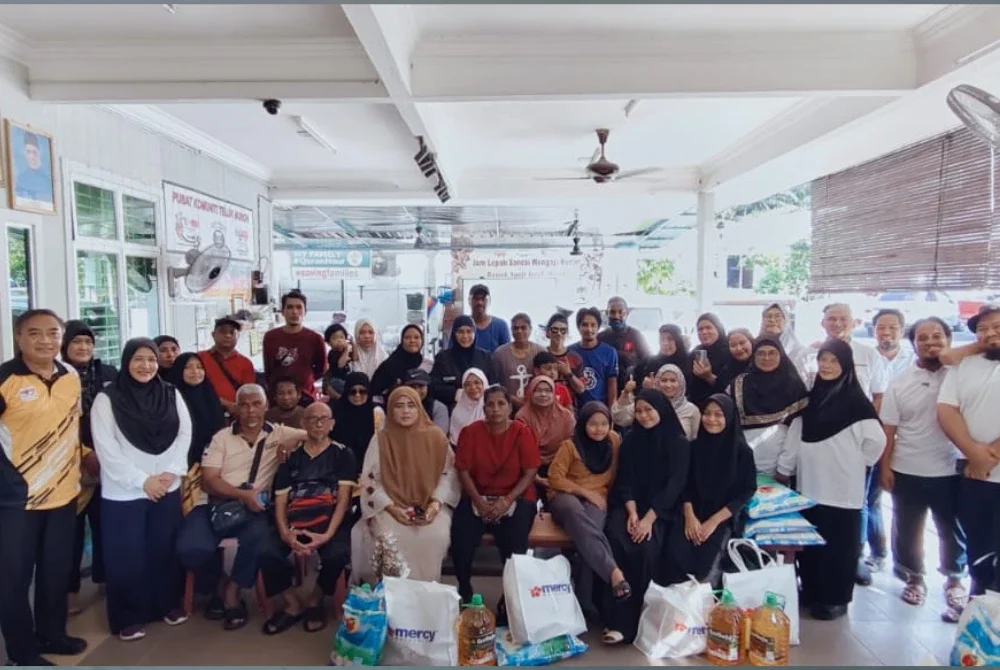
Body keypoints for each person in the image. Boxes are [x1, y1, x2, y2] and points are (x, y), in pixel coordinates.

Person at [176, 384, 306, 631]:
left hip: (252, 508)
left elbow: (316, 434)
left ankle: (232, 591)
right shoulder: (221, 438)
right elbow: (209, 481)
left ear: (266, 406)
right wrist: (242, 495)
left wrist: (292, 445)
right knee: (190, 549)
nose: (250, 410)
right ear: (236, 408)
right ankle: (218, 582)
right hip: (213, 503)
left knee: (258, 538)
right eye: (244, 405)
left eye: (256, 404)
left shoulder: (278, 433)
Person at [0, 310, 88, 666]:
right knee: (13, 581)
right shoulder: (5, 379)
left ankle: (52, 634)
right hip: (16, 500)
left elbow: (72, 426)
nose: (45, 340)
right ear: (19, 337)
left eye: (53, 333)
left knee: (55, 573)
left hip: (64, 494)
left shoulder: (70, 376)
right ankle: (22, 652)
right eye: (34, 333)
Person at [776, 340, 886, 621]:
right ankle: (812, 591)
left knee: (839, 546)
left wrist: (855, 462)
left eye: (833, 361)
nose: (826, 366)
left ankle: (836, 598)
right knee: (811, 544)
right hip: (810, 485)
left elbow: (876, 442)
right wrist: (786, 468)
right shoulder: (813, 399)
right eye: (823, 360)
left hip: (842, 489)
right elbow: (796, 435)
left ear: (845, 365)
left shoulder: (857, 403)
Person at [90, 338, 192, 640]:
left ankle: (166, 605)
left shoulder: (170, 393)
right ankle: (128, 617)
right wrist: (142, 481)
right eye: (138, 359)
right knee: (127, 555)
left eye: (151, 359)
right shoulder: (107, 399)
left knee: (164, 549)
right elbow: (106, 449)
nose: (146, 366)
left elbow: (184, 433)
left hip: (166, 486)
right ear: (126, 361)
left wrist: (171, 472)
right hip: (124, 492)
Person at [880, 317, 967, 621]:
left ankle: (954, 579)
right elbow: (888, 430)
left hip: (952, 467)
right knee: (908, 527)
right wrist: (885, 467)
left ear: (949, 339)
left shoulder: (960, 375)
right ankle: (914, 577)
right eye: (923, 338)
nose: (931, 342)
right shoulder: (900, 383)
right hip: (908, 467)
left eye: (937, 336)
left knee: (951, 528)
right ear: (913, 344)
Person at [602, 389, 691, 645]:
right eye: (639, 411)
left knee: (646, 548)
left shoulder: (679, 443)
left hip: (662, 510)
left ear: (661, 410)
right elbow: (625, 479)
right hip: (631, 505)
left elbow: (674, 487)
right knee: (615, 537)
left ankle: (635, 623)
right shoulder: (632, 439)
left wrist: (649, 519)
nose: (643, 416)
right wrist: (632, 513)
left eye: (648, 410)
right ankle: (613, 617)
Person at [258, 402, 355, 636]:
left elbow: (343, 500)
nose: (319, 423)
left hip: (328, 520)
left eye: (324, 419)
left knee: (337, 554)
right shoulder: (291, 457)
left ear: (332, 424)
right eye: (313, 419)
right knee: (265, 550)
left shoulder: (343, 454)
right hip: (294, 520)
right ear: (303, 423)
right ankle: (292, 603)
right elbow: (281, 500)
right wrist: (285, 534)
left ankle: (316, 598)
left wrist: (327, 535)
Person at [351, 387, 460, 584]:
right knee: (389, 538)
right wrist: (392, 508)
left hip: (430, 505)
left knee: (435, 536)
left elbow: (449, 475)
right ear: (390, 410)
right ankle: (395, 595)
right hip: (389, 505)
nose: (405, 411)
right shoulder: (381, 439)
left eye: (411, 405)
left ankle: (425, 593)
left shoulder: (436, 437)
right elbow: (370, 481)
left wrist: (435, 505)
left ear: (419, 408)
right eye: (399, 406)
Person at [450, 386, 540, 605]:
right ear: (484, 409)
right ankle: (465, 589)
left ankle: (509, 598)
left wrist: (507, 501)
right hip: (478, 495)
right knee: (461, 538)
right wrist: (478, 501)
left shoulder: (521, 432)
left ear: (510, 408)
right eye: (490, 404)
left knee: (514, 541)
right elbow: (463, 471)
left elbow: (530, 471)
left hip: (516, 496)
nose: (495, 409)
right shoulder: (471, 432)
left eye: (501, 404)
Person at [547, 402, 631, 619]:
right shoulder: (570, 446)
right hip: (565, 496)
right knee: (574, 510)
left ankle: (582, 603)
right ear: (583, 423)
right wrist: (585, 492)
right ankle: (613, 571)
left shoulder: (614, 440)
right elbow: (554, 478)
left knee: (589, 532)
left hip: (598, 499)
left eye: (604, 424)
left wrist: (603, 497)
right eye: (593, 424)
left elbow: (615, 473)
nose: (599, 429)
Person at [937, 305, 1000, 598]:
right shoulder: (966, 364)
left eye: (997, 326)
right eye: (982, 329)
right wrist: (973, 453)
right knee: (978, 545)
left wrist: (990, 455)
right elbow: (946, 410)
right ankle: (978, 609)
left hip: (983, 465)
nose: (990, 333)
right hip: (975, 474)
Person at [61, 320, 116, 613]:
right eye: (76, 342)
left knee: (105, 524)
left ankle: (106, 579)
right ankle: (69, 591)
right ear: (65, 346)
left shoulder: (107, 373)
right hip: (68, 465)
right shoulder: (56, 376)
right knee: (70, 531)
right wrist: (83, 453)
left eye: (88, 342)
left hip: (108, 462)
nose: (83, 347)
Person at [673, 395, 756, 586]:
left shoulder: (742, 452)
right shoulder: (694, 447)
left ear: (729, 417)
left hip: (723, 517)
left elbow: (746, 490)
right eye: (707, 413)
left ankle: (706, 603)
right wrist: (690, 516)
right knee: (676, 556)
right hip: (691, 514)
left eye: (719, 415)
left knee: (707, 568)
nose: (711, 419)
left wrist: (713, 521)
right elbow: (685, 484)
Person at [861, 308, 916, 579]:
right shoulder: (867, 357)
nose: (886, 333)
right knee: (870, 498)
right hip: (873, 439)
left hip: (907, 441)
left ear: (902, 330)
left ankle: (908, 563)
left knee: (906, 506)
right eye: (881, 327)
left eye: (892, 327)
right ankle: (876, 552)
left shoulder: (914, 360)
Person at [728, 337, 809, 476]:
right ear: (754, 356)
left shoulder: (794, 386)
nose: (766, 358)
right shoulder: (739, 384)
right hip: (742, 462)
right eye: (761, 353)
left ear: (781, 355)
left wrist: (784, 468)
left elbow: (796, 431)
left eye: (772, 353)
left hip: (777, 465)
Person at [168, 353, 227, 516]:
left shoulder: (209, 393)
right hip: (182, 466)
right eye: (188, 367)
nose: (195, 371)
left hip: (211, 463)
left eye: (200, 367)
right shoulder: (171, 397)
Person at [263, 291, 327, 402]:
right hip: (278, 398)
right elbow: (268, 370)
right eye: (289, 307)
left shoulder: (315, 339)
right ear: (282, 311)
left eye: (299, 307)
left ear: (305, 311)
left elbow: (322, 370)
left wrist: (305, 379)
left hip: (306, 396)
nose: (294, 312)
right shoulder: (270, 337)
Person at [515, 375, 576, 490]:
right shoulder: (522, 417)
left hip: (560, 465)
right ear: (531, 393)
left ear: (554, 394)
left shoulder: (566, 417)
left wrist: (557, 477)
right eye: (538, 390)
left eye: (548, 391)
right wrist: (538, 479)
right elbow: (522, 453)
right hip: (529, 469)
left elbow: (570, 449)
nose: (543, 394)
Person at [612, 364, 701, 439]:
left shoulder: (691, 410)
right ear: (657, 382)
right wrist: (626, 393)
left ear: (681, 383)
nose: (668, 385)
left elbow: (696, 441)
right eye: (664, 380)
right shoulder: (646, 404)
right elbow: (619, 418)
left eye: (673, 380)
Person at [431, 316, 496, 410]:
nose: (465, 336)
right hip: (451, 410)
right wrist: (455, 393)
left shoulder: (486, 357)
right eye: (460, 332)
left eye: (469, 331)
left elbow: (494, 386)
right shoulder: (442, 358)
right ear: (454, 334)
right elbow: (434, 387)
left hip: (482, 410)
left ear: (475, 333)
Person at [329, 372, 384, 479]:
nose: (357, 395)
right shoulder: (336, 412)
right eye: (352, 392)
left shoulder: (377, 413)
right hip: (340, 469)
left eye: (362, 391)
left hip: (372, 469)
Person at [199, 316, 256, 417]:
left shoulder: (246, 363)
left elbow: (248, 393)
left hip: (235, 415)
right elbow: (197, 389)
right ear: (213, 334)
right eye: (223, 332)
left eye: (232, 332)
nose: (228, 335)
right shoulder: (199, 358)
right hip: (205, 413)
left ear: (238, 336)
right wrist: (226, 404)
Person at [493, 313, 544, 410]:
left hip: (536, 407)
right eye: (515, 328)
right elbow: (495, 383)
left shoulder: (540, 351)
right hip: (506, 406)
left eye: (523, 328)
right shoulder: (500, 354)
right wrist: (513, 399)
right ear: (511, 330)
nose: (519, 331)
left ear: (530, 329)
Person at [570, 307, 619, 406]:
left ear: (598, 327)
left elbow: (612, 384)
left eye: (593, 325)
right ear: (578, 327)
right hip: (576, 408)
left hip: (600, 408)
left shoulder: (609, 352)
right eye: (585, 325)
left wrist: (611, 411)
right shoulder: (570, 352)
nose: (589, 329)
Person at [369, 324, 432, 400]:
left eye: (416, 337)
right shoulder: (389, 366)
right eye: (407, 337)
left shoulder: (427, 364)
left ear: (422, 340)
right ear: (402, 341)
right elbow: (376, 391)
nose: (412, 340)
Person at [598, 297, 651, 382]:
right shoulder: (601, 337)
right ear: (607, 313)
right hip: (606, 386)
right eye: (612, 312)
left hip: (631, 385)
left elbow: (648, 361)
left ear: (627, 313)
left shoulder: (636, 335)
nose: (616, 316)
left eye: (621, 312)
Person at [758, 303, 809, 383]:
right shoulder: (755, 347)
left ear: (786, 321)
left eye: (777, 316)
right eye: (768, 316)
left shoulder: (799, 352)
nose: (772, 320)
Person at [689, 313, 731, 406]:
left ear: (718, 329)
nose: (704, 332)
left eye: (708, 328)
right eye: (700, 329)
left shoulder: (729, 351)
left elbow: (730, 388)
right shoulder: (695, 352)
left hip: (721, 406)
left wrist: (709, 377)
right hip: (697, 406)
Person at [544, 313, 587, 399]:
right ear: (548, 332)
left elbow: (581, 389)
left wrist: (569, 374)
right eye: (555, 330)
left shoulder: (575, 358)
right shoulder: (542, 354)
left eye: (563, 330)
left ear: (567, 334)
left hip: (568, 404)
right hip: (544, 402)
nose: (559, 333)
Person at [634, 324, 691, 388]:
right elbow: (636, 382)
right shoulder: (650, 362)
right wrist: (645, 387)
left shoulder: (689, 362)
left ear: (678, 341)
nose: (665, 343)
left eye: (670, 339)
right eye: (662, 339)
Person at [465, 284, 511, 353]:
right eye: (476, 299)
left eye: (483, 299)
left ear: (489, 301)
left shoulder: (501, 326)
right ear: (469, 301)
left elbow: (506, 354)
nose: (479, 302)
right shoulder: (461, 325)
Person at [449, 368, 488, 446]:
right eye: (467, 384)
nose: (473, 387)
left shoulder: (492, 407)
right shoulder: (458, 411)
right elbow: (455, 441)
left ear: (484, 383)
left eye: (477, 382)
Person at [404, 368, 450, 434]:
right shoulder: (397, 407)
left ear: (428, 387)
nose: (416, 391)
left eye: (421, 386)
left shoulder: (438, 408)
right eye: (412, 387)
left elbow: (439, 436)